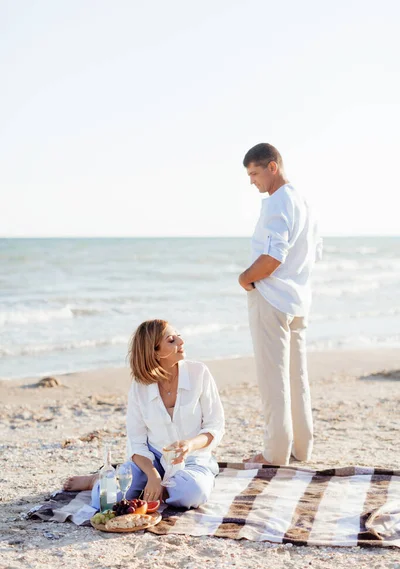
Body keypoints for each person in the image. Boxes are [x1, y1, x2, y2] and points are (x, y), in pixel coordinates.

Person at [64, 319, 225, 510]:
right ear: (154, 351)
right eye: (171, 340)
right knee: (103, 500)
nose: (181, 343)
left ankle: (163, 488)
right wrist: (153, 475)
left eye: (178, 336)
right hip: (151, 459)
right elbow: (137, 440)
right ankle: (96, 480)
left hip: (193, 458)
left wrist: (189, 445)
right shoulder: (140, 387)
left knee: (192, 493)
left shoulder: (199, 373)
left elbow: (215, 425)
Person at [238, 143, 322, 466]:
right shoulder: (304, 203)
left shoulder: (277, 202)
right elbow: (312, 255)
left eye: (255, 173)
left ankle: (275, 454)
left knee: (273, 379)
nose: (252, 182)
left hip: (273, 299)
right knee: (296, 378)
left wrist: (245, 278)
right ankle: (301, 448)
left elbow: (274, 256)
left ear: (273, 167)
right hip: (298, 301)